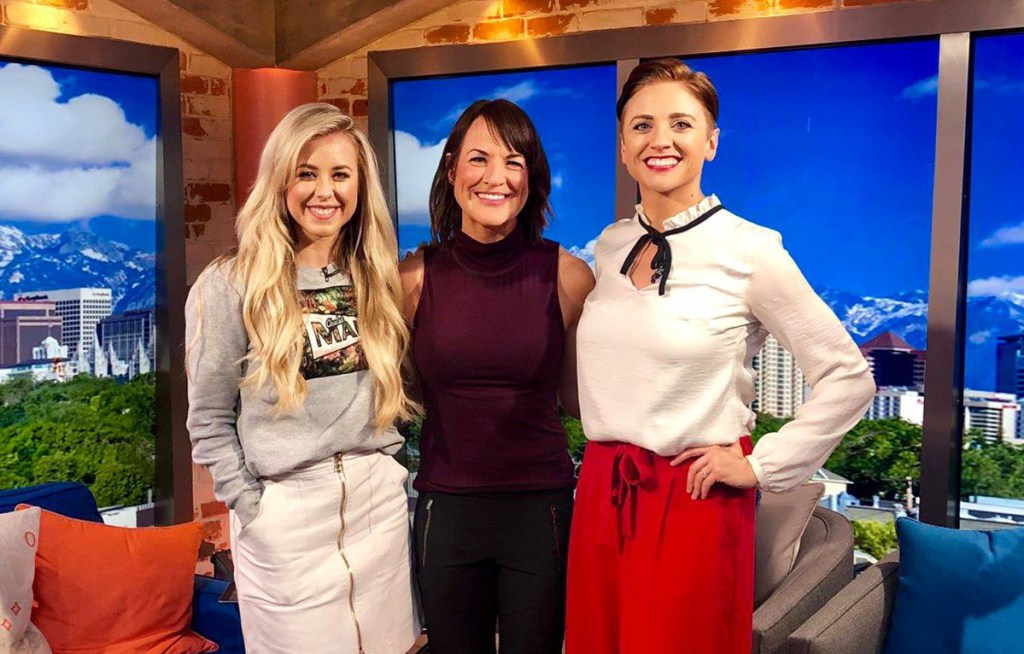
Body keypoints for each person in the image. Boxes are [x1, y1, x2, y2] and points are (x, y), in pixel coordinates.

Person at [565, 59, 876, 654]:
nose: (661, 140)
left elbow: (848, 377)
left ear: (710, 142)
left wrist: (760, 466)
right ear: (624, 147)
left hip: (696, 499)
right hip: (603, 492)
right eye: (642, 125)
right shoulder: (608, 247)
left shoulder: (752, 250)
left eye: (681, 124)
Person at [185, 103, 420, 653]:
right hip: (284, 519)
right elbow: (209, 418)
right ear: (280, 180)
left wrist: (391, 477)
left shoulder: (375, 275)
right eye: (306, 173)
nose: (324, 191)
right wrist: (254, 508)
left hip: (377, 512)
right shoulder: (231, 282)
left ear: (360, 187)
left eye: (340, 175)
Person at [399, 99, 595, 654]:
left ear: (531, 177)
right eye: (478, 159)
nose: (495, 178)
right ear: (451, 170)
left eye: (513, 162)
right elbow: (398, 396)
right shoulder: (411, 278)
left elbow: (586, 400)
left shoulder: (570, 276)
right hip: (447, 510)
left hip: (542, 510)